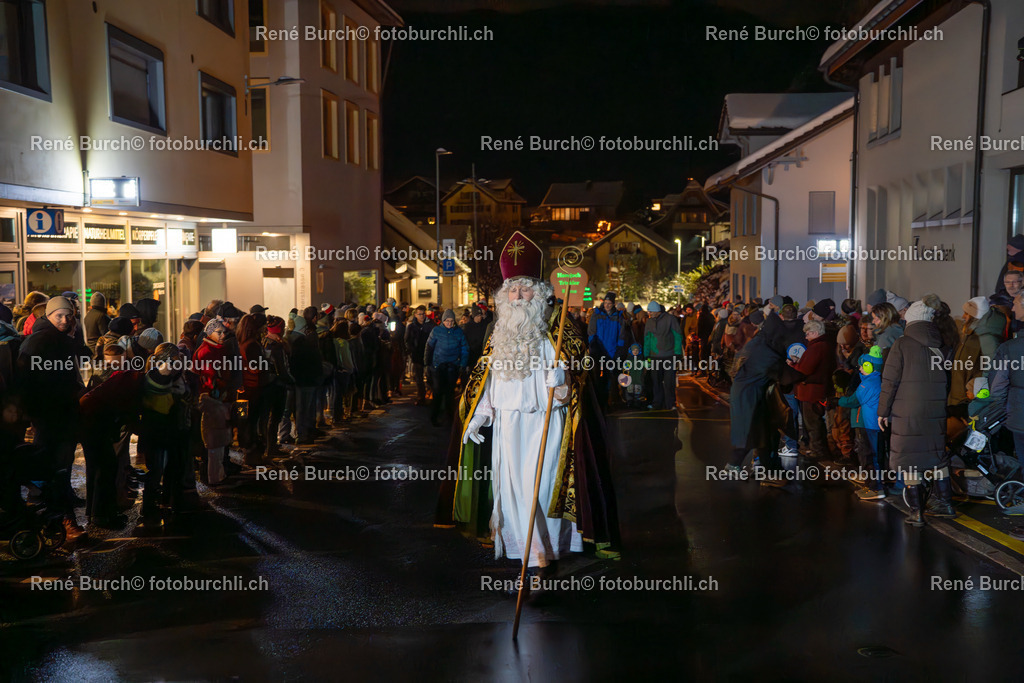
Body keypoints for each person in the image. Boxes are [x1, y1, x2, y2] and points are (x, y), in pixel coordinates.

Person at [439, 231, 619, 565]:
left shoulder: (560, 329)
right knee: (514, 491)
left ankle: (542, 556)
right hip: (508, 423)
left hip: (547, 422)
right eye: (513, 290)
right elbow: (487, 380)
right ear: (504, 296)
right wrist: (480, 414)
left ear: (539, 293)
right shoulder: (499, 334)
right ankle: (526, 553)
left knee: (543, 487)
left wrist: (564, 379)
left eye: (525, 288)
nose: (519, 296)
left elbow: (582, 380)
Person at [16, 295, 88, 539]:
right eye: (60, 315)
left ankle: (53, 521)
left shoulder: (60, 339)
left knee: (58, 467)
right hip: (51, 415)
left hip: (60, 413)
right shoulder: (41, 341)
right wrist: (33, 412)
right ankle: (63, 521)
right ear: (48, 315)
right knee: (55, 467)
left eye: (69, 315)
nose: (65, 319)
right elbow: (26, 380)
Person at [877, 301, 952, 526]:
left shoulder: (901, 344)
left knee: (910, 459)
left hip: (906, 411)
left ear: (909, 319)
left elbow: (890, 382)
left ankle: (917, 512)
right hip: (935, 409)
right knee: (936, 455)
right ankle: (946, 504)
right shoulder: (942, 345)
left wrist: (883, 411)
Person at [838, 345, 885, 500]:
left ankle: (875, 488)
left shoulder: (868, 384)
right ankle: (871, 485)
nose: (859, 369)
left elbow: (853, 401)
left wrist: (839, 400)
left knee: (868, 456)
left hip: (866, 424)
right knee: (870, 455)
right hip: (869, 424)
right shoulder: (875, 381)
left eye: (863, 366)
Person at [789, 319, 835, 462]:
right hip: (818, 389)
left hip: (811, 391)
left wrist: (793, 366)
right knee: (816, 422)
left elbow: (806, 370)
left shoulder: (816, 347)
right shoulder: (825, 345)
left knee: (812, 423)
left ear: (815, 333)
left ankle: (818, 450)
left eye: (808, 334)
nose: (806, 337)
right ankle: (819, 449)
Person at [990, 292, 1024, 475]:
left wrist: (999, 409)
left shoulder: (1009, 348)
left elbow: (997, 386)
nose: (1012, 308)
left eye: (1016, 303)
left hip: (1019, 415)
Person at [425, 309, 469, 427]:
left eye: (451, 321)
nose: (449, 323)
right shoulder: (436, 331)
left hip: (452, 366)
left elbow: (464, 349)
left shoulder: (459, 332)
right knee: (438, 392)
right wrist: (427, 363)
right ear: (443, 321)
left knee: (450, 393)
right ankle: (434, 417)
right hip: (438, 365)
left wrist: (462, 364)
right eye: (447, 321)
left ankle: (450, 419)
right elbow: (429, 346)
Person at [588, 292, 628, 409]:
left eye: (609, 303)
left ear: (613, 304)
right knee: (597, 377)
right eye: (605, 303)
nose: (607, 305)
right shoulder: (596, 314)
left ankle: (610, 401)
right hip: (599, 351)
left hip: (612, 351)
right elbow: (591, 331)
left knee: (610, 377)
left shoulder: (618, 316)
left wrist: (619, 349)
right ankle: (598, 401)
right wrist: (593, 344)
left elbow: (621, 335)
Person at [643, 301, 682, 410]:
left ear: (657, 311)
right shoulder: (650, 321)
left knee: (669, 381)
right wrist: (647, 355)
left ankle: (670, 403)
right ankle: (657, 403)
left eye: (651, 311)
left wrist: (678, 353)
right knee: (656, 382)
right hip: (655, 356)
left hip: (668, 355)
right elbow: (647, 338)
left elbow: (677, 336)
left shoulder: (670, 319)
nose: (649, 313)